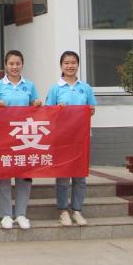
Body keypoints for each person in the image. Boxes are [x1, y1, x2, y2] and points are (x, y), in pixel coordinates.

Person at [0, 49, 43, 230]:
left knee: (24, 176)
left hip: (25, 136)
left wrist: (37, 104)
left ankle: (21, 213)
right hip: (3, 136)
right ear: (5, 65)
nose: (14, 67)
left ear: (22, 65)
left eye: (18, 63)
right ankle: (5, 214)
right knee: (4, 175)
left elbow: (35, 106)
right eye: (11, 63)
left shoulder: (30, 86)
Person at [45, 50, 98, 227]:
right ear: (61, 66)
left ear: (78, 65)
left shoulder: (85, 87)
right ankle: (63, 211)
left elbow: (92, 109)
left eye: (73, 62)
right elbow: (48, 112)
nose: (70, 66)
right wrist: (57, 109)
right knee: (63, 176)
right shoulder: (55, 88)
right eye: (66, 63)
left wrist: (90, 110)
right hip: (63, 138)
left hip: (82, 137)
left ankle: (77, 210)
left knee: (80, 176)